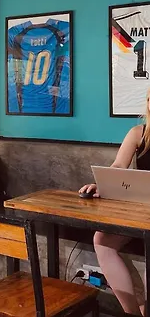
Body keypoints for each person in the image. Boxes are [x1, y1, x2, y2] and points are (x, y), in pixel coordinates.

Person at [79, 90, 150, 316]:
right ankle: (132, 312)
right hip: (139, 209)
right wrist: (103, 184)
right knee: (102, 240)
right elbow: (118, 165)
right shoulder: (139, 133)